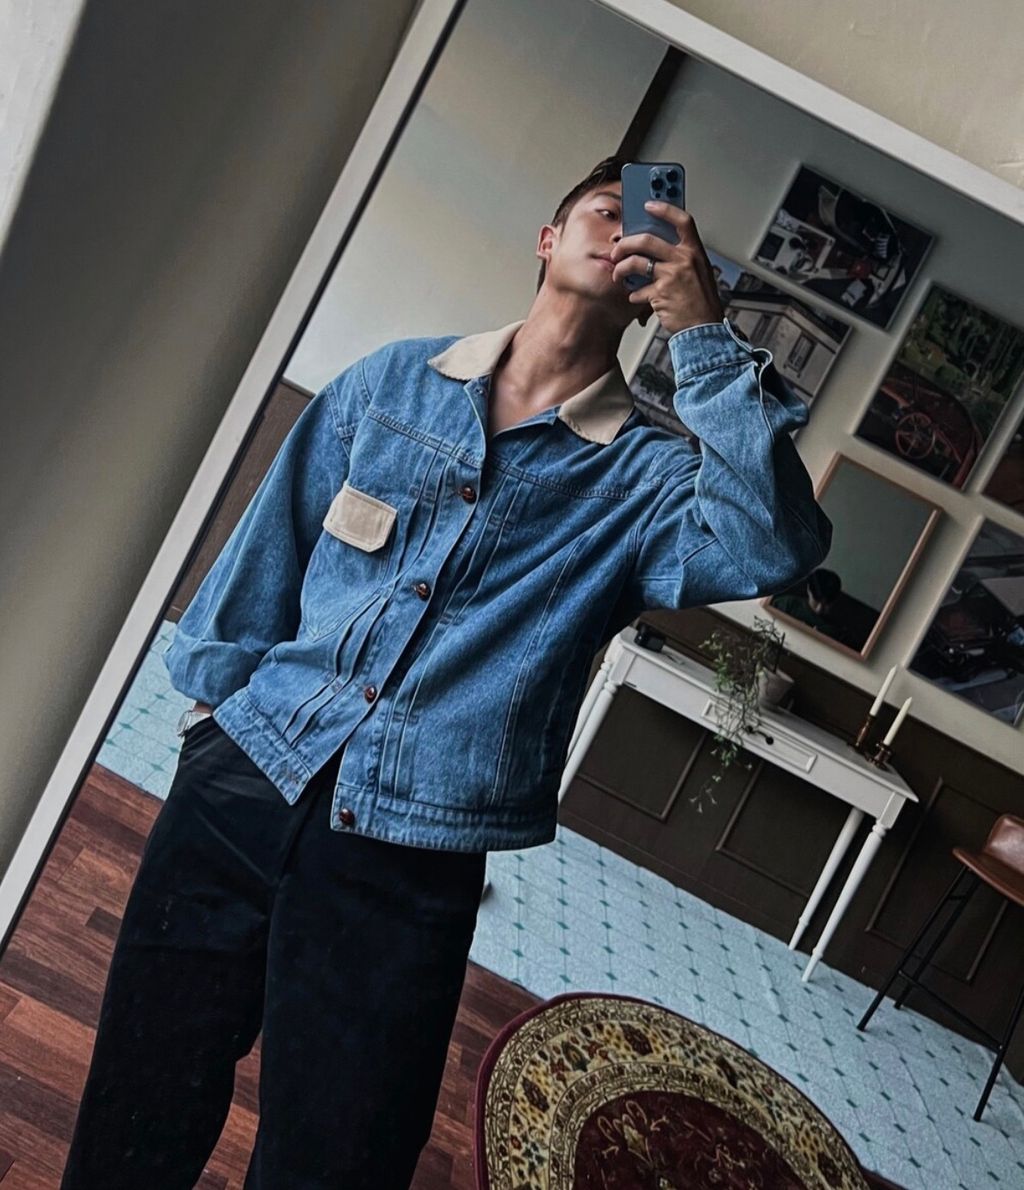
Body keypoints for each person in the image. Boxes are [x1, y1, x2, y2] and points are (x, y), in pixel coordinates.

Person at [61, 155, 831, 1189]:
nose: (623, 229)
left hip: (412, 853)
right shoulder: (393, 381)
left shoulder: (645, 479)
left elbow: (771, 544)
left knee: (335, 1157)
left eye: (653, 228)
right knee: (139, 1093)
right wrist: (212, 719)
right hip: (244, 779)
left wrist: (701, 334)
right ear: (547, 240)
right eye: (603, 209)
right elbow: (272, 541)